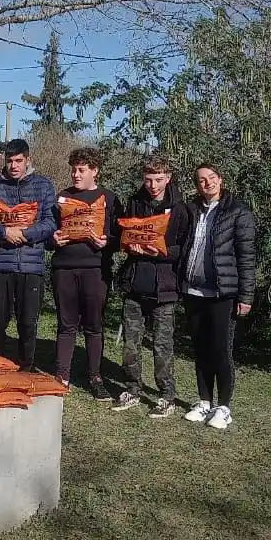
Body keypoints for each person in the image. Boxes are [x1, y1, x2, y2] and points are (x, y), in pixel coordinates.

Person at [112, 157, 191, 419]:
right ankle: (132, 389)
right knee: (131, 344)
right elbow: (122, 235)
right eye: (148, 179)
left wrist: (160, 251)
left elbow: (184, 249)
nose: (153, 185)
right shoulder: (135, 202)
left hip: (165, 288)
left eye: (158, 179)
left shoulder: (181, 208)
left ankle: (166, 395)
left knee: (162, 345)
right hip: (135, 284)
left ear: (168, 178)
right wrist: (128, 245)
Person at [179, 163, 256, 429]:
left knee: (221, 350)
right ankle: (204, 401)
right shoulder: (191, 210)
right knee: (200, 350)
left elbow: (247, 258)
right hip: (193, 290)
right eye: (201, 180)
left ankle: (223, 407)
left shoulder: (237, 212)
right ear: (197, 184)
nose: (207, 183)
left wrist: (246, 296)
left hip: (223, 292)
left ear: (220, 180)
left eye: (212, 178)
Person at [0, 138, 57, 371]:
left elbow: (51, 222)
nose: (13, 166)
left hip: (31, 265)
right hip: (0, 263)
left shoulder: (43, 185)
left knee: (28, 323)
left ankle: (26, 367)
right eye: (9, 161)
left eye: (18, 161)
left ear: (28, 160)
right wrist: (3, 232)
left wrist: (27, 233)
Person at [49, 146, 121, 399]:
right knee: (66, 324)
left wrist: (107, 243)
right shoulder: (62, 197)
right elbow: (50, 233)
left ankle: (95, 377)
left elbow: (119, 237)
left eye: (81, 170)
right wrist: (53, 240)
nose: (76, 175)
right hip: (64, 269)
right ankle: (62, 375)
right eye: (73, 170)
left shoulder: (109, 199)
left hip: (95, 270)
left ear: (94, 171)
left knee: (93, 325)